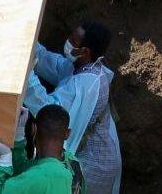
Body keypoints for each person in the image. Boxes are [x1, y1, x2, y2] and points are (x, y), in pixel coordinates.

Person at [24, 21, 119, 193]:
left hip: (91, 166)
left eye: (73, 42)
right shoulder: (82, 66)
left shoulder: (87, 83)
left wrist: (27, 75)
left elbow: (49, 112)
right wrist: (27, 43)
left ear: (85, 52)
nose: (67, 42)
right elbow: (48, 62)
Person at [0, 106, 82, 193]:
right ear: (67, 133)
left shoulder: (39, 176)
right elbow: (23, 172)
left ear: (34, 129)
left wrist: (4, 160)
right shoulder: (72, 163)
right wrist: (18, 139)